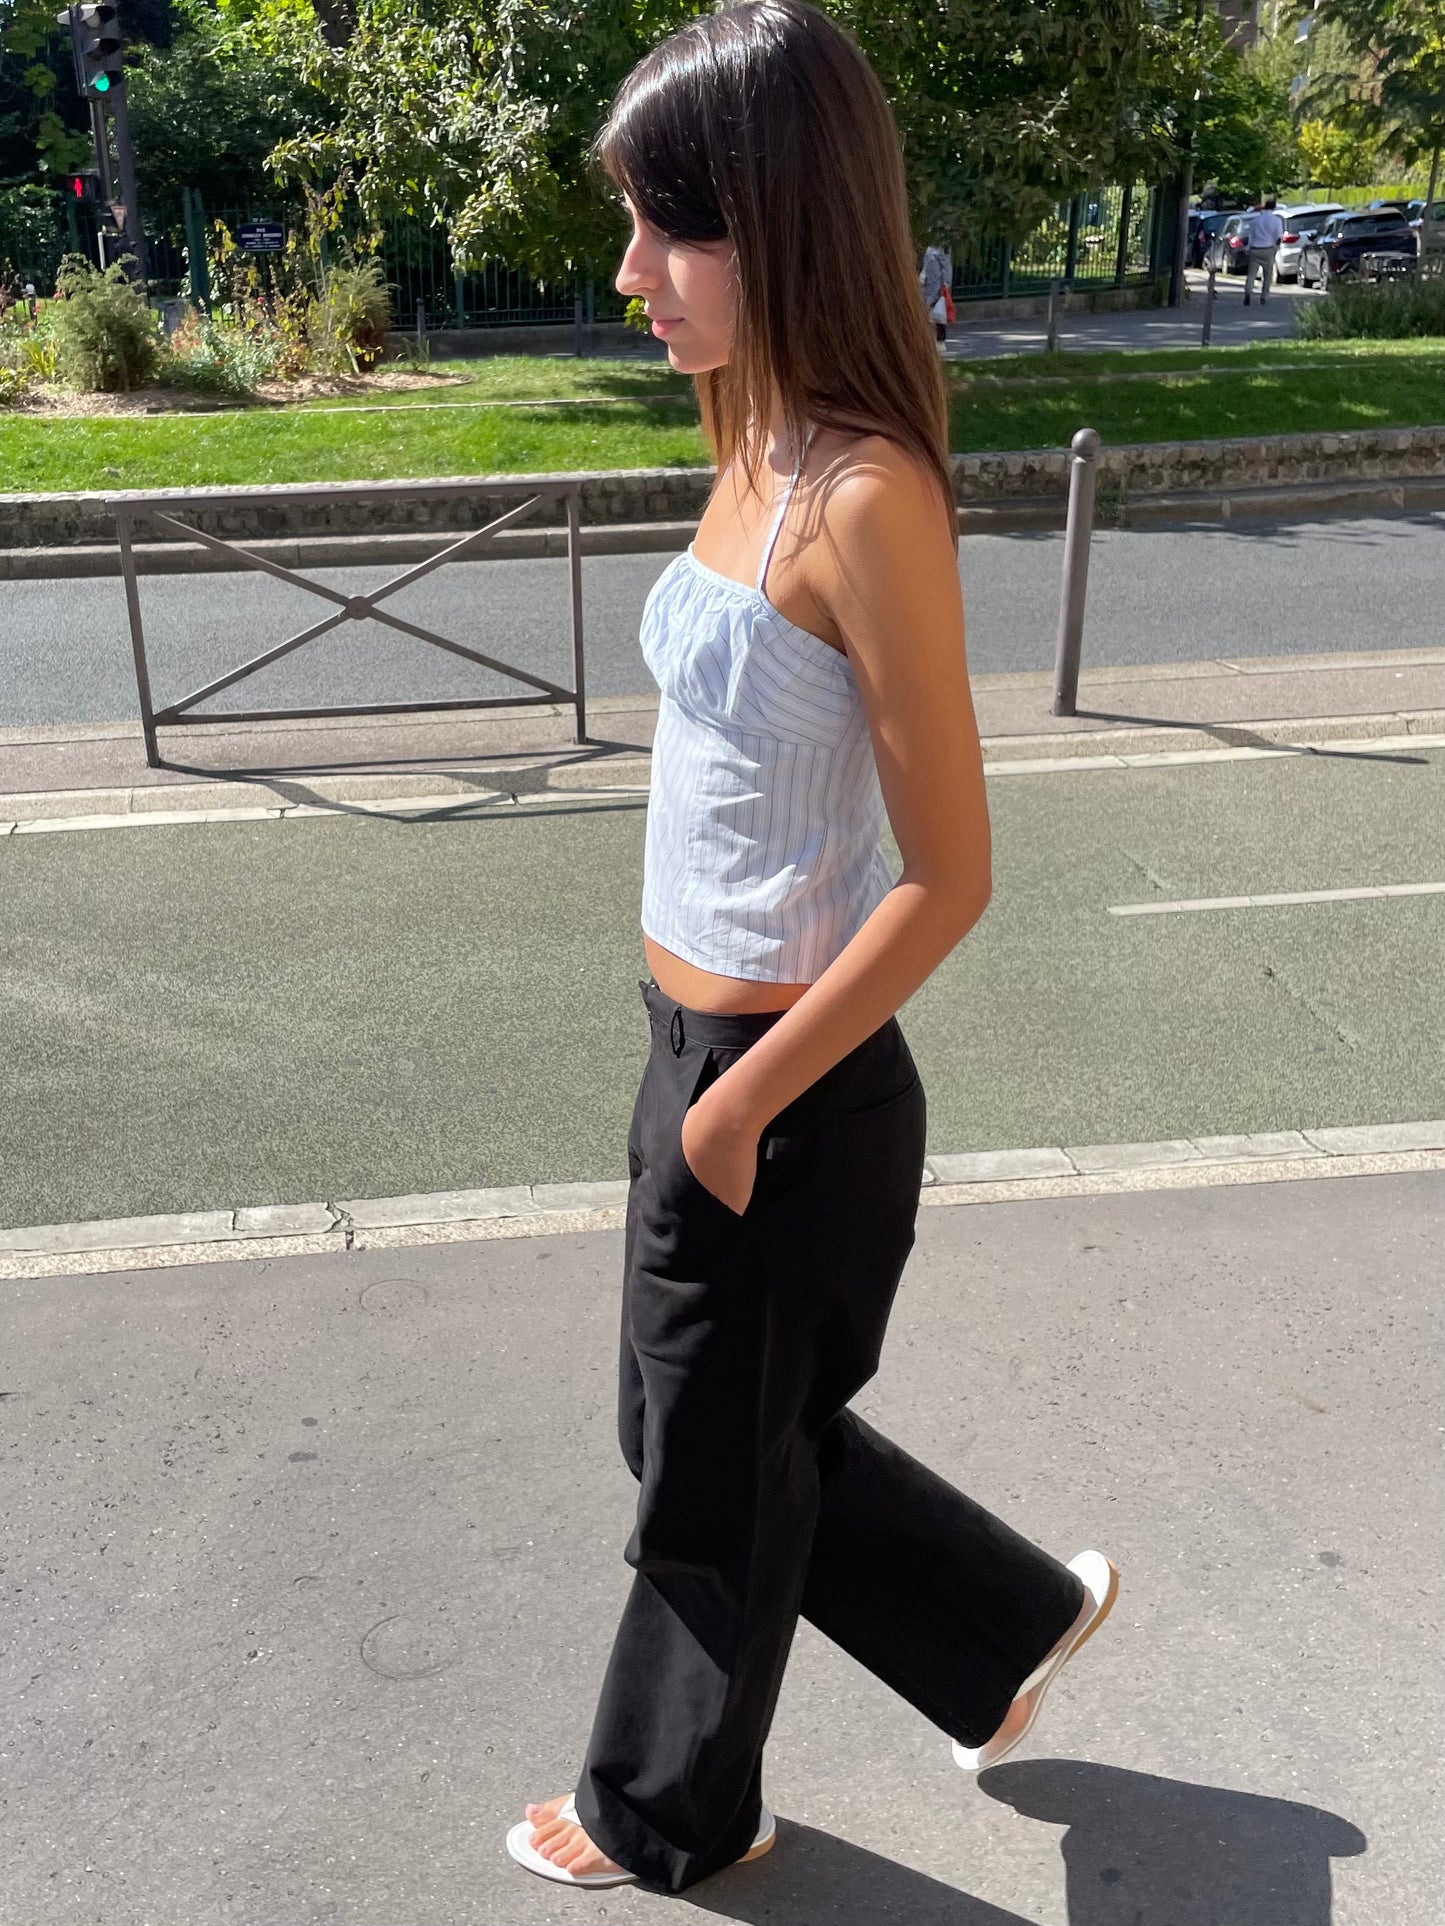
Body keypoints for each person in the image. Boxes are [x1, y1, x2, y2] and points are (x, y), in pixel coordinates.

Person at [504, 0, 1120, 1897]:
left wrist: (740, 1107)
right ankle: (1000, 1627)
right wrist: (692, 1088)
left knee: (705, 1480)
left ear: (782, 217)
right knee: (691, 1434)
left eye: (667, 229)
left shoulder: (867, 494)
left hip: (791, 1085)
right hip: (692, 1049)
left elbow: (952, 868)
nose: (632, 274)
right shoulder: (751, 428)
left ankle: (670, 1807)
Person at [1244, 196, 1285, 305]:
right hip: (1268, 249)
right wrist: (1276, 248)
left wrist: (1248, 247)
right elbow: (1278, 237)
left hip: (1255, 249)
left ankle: (1248, 292)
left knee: (1251, 274)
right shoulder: (1276, 220)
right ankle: (1264, 296)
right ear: (1274, 208)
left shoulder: (1256, 220)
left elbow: (1251, 235)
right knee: (1267, 275)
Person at [920, 241, 953, 344]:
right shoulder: (939, 250)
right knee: (937, 314)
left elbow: (942, 269)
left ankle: (937, 340)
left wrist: (945, 284)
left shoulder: (936, 252)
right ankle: (937, 340)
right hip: (936, 288)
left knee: (935, 314)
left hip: (934, 290)